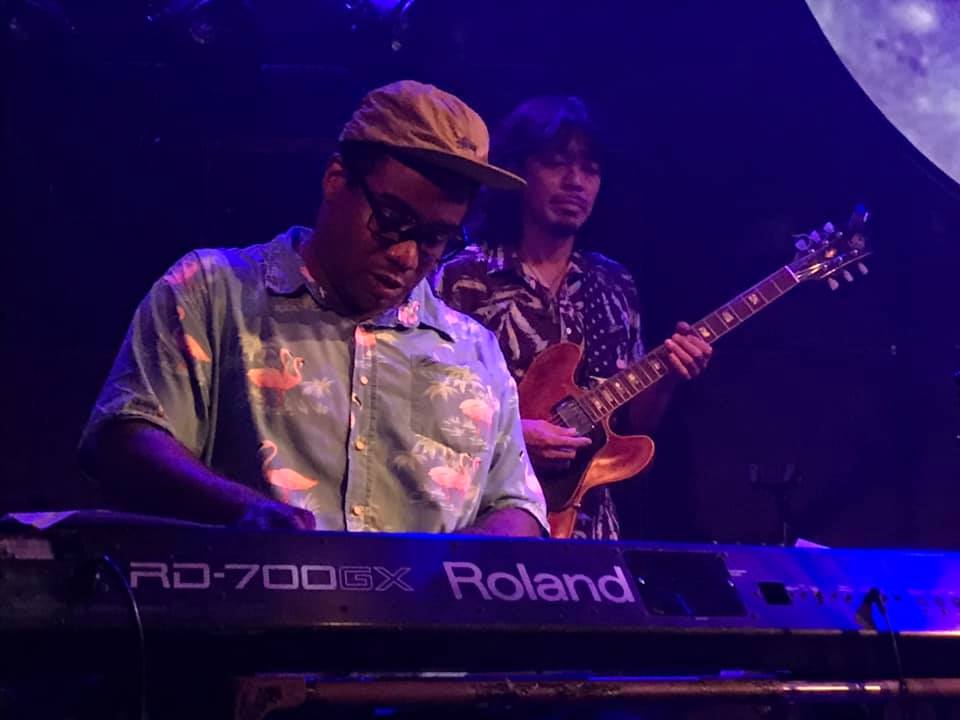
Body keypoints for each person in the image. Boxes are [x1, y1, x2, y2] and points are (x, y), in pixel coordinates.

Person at [79, 80, 547, 537]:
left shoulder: (475, 350)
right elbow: (125, 436)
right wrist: (241, 511)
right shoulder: (212, 290)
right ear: (336, 180)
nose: (407, 256)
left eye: (434, 238)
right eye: (391, 220)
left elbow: (517, 505)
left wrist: (452, 565)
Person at [433, 96, 712, 540]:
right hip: (483, 522)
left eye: (590, 170)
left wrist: (668, 376)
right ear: (518, 171)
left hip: (589, 529)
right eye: (556, 164)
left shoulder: (613, 284)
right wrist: (516, 436)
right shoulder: (462, 278)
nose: (575, 182)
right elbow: (424, 412)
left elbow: (633, 426)